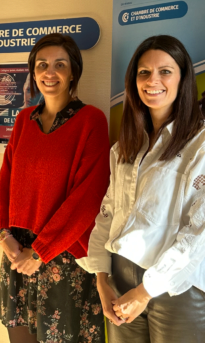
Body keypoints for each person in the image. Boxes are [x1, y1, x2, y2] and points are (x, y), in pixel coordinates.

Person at [76, 35, 205, 343]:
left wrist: (146, 291)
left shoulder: (200, 144)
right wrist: (102, 280)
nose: (152, 81)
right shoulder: (124, 148)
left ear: (183, 79)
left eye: (165, 71)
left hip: (176, 285)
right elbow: (108, 214)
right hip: (119, 279)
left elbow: (199, 231)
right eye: (144, 72)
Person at [0, 33, 110, 343]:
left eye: (60, 64)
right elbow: (5, 180)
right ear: (33, 72)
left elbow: (89, 197)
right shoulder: (23, 120)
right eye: (42, 65)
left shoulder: (91, 120)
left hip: (62, 256)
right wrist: (2, 235)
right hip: (17, 252)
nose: (49, 72)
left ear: (73, 73)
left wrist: (39, 252)